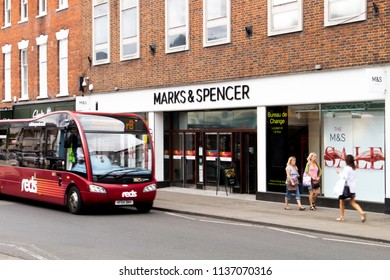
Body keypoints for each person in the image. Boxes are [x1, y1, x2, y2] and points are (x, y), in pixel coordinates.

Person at [336, 154, 366, 222]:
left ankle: (342, 217)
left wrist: (339, 173)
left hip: (345, 188)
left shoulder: (346, 168)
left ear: (346, 161)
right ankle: (361, 212)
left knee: (341, 202)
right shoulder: (354, 168)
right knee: (353, 202)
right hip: (352, 188)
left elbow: (344, 177)